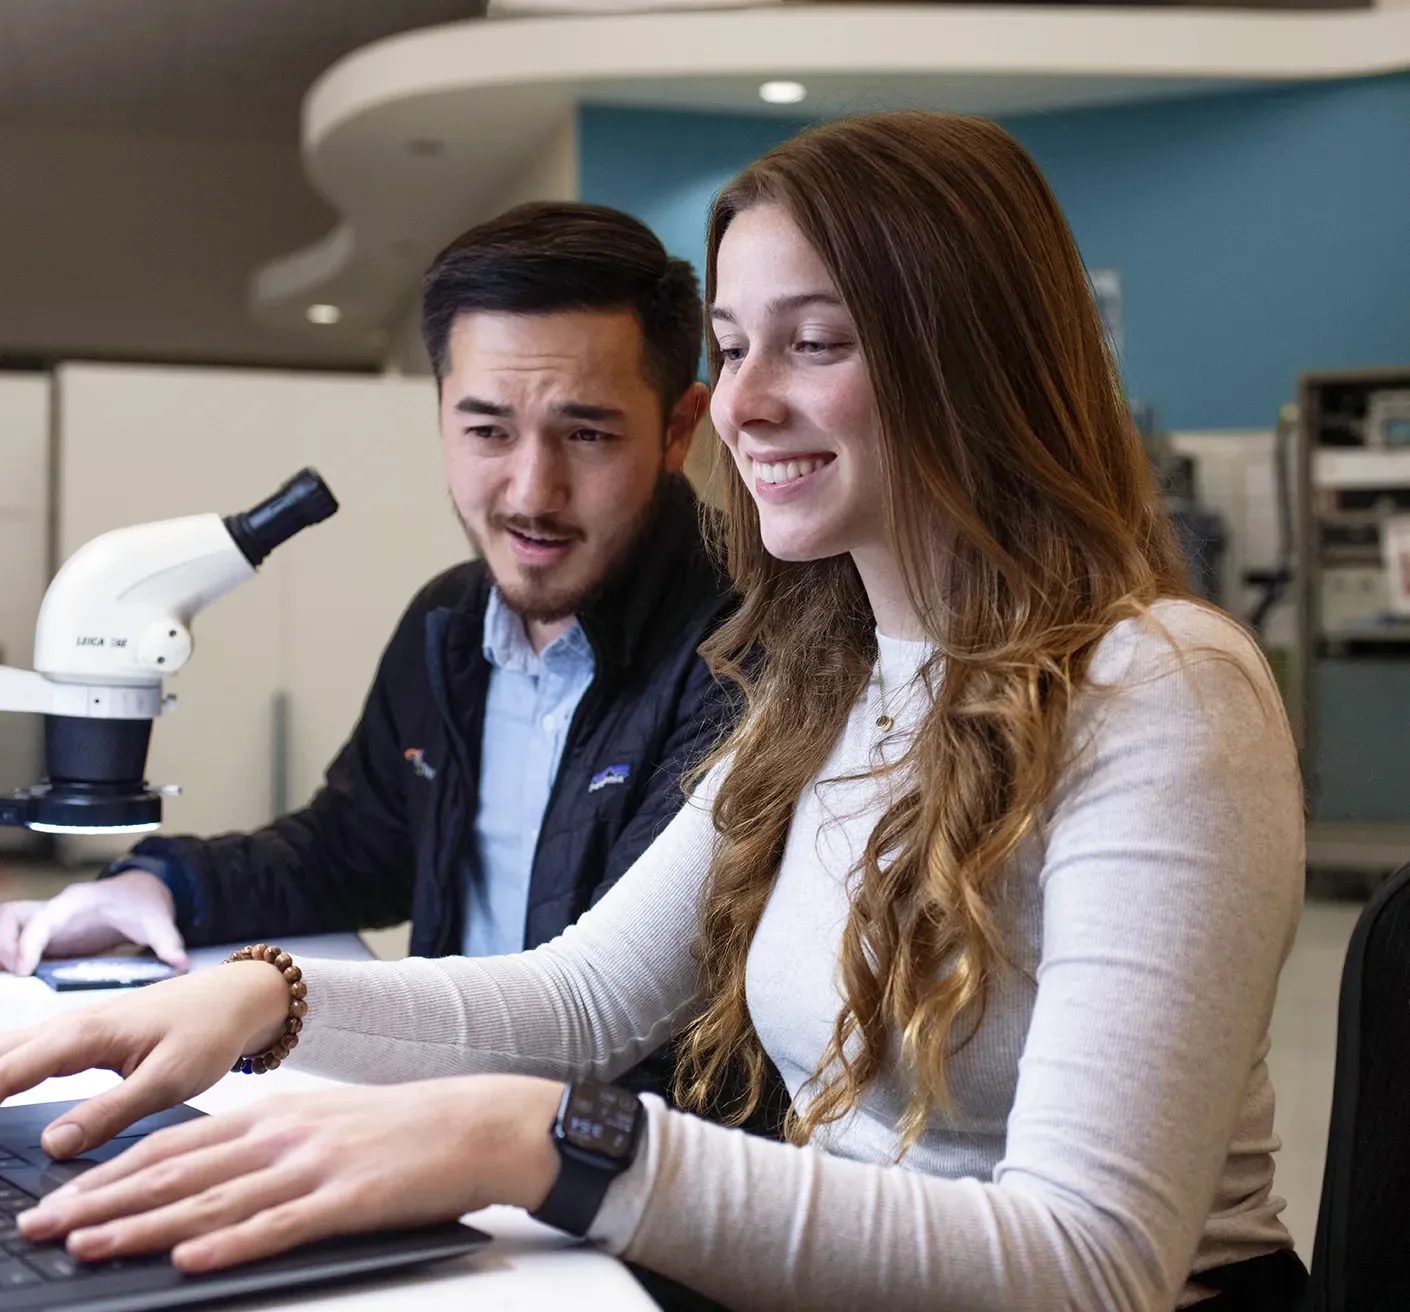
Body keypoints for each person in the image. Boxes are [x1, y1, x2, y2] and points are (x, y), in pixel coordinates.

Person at [0, 111, 1307, 1311]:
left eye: (816, 341)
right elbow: (581, 1000)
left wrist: (541, 1140)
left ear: (967, 359)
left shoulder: (1159, 697)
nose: (739, 407)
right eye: (735, 347)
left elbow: (1092, 1267)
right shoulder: (831, 681)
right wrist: (264, 1000)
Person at [0, 202, 732, 1006]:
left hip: (603, 1125)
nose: (532, 492)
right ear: (443, 417)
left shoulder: (749, 649)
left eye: (587, 435)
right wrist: (157, 888)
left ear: (677, 428)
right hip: (449, 1100)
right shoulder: (448, 622)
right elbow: (353, 851)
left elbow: (606, 1004)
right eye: (487, 432)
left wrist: (273, 1006)